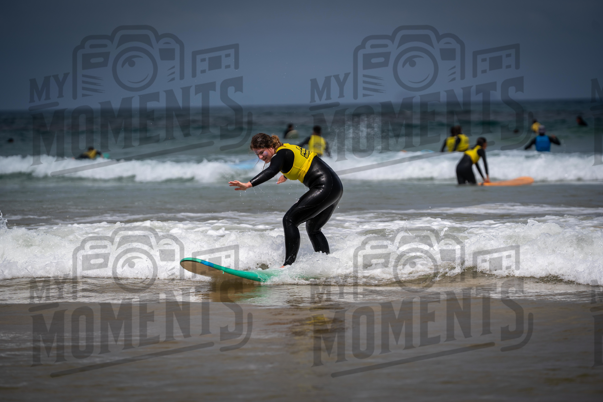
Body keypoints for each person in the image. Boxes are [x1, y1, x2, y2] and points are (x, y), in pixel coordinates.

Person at [229, 133, 343, 267]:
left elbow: (271, 170)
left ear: (271, 146)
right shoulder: (286, 149)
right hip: (335, 187)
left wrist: (248, 184)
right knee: (313, 228)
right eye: (257, 154)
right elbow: (300, 161)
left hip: (324, 187)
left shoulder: (280, 154)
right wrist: (286, 175)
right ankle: (326, 265)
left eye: (262, 152)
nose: (260, 157)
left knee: (289, 220)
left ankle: (288, 265)